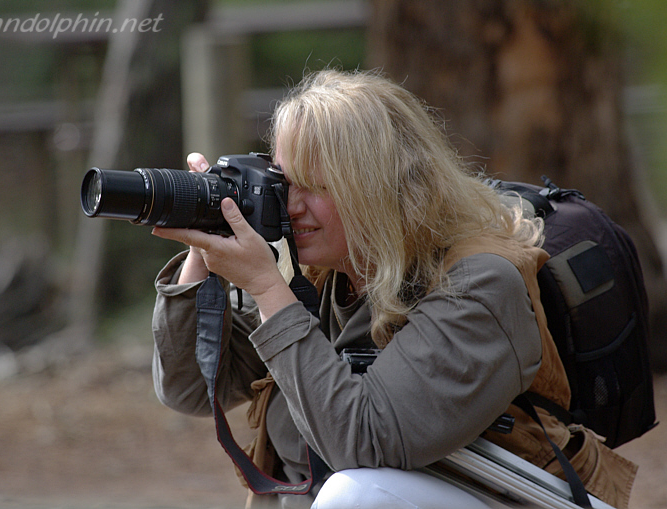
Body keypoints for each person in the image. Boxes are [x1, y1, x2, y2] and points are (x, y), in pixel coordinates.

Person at [149, 69, 637, 508]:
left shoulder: (480, 283)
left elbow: (362, 443)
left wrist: (264, 286)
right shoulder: (324, 275)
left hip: (510, 496)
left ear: (379, 188)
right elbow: (192, 389)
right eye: (284, 181)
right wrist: (204, 238)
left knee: (353, 495)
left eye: (314, 186)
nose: (290, 205)